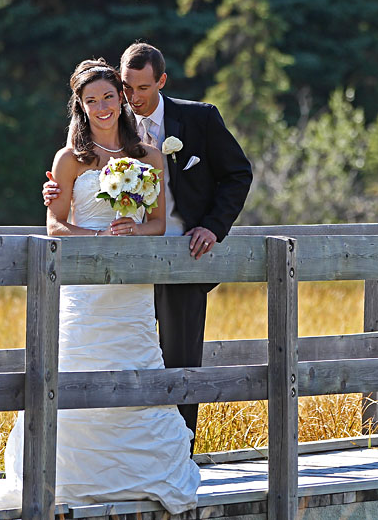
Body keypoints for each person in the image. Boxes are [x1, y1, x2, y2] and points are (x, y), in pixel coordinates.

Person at [0, 59, 200, 514]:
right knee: (76, 368)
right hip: (86, 288)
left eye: (108, 97)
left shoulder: (148, 156)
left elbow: (160, 223)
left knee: (137, 366)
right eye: (91, 101)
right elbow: (55, 226)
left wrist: (131, 230)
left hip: (132, 292)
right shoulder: (69, 160)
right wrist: (100, 237)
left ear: (121, 98)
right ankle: (63, 476)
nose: (101, 107)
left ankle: (141, 476)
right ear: (80, 108)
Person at [43, 43, 253, 452]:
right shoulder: (94, 129)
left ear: (161, 80)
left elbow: (237, 174)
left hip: (180, 257)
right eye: (127, 87)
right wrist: (55, 191)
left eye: (141, 88)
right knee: (113, 358)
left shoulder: (197, 120)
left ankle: (177, 453)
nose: (132, 97)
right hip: (108, 274)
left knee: (178, 361)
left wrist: (212, 228)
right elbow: (69, 189)